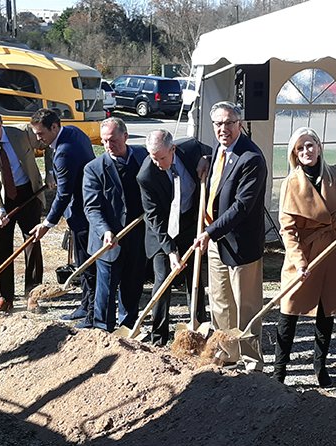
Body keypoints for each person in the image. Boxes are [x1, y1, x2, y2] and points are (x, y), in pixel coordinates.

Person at [273, 127, 336, 386]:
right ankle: (279, 371)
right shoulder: (291, 183)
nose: (306, 151)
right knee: (288, 309)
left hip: (332, 249)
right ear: (294, 154)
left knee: (327, 309)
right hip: (303, 253)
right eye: (300, 148)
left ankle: (320, 366)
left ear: (319, 146)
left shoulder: (335, 173)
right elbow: (287, 229)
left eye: (309, 145)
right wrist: (299, 263)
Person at [193, 101, 267, 371]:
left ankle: (252, 360)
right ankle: (227, 353)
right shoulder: (217, 152)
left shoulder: (251, 158)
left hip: (240, 244)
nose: (223, 128)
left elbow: (242, 206)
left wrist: (209, 232)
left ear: (240, 124)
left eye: (228, 123)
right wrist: (204, 161)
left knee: (246, 306)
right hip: (215, 242)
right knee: (221, 303)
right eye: (218, 124)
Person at [137, 129, 211, 345]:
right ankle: (159, 337)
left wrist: (206, 159)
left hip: (190, 224)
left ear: (173, 149)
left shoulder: (192, 148)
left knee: (195, 278)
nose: (158, 163)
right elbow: (153, 217)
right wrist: (170, 251)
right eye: (153, 157)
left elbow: (213, 153)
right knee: (162, 281)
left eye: (162, 158)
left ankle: (198, 331)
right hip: (162, 232)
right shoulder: (146, 176)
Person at [0, 108, 45, 312]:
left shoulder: (22, 133)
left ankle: (33, 294)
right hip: (2, 199)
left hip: (28, 193)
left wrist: (50, 173)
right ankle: (5, 297)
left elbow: (48, 144)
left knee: (32, 242)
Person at [27, 108, 96, 322]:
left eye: (41, 134)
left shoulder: (64, 152)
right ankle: (86, 305)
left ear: (54, 127)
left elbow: (64, 194)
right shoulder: (74, 131)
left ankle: (91, 312)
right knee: (85, 263)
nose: (39, 139)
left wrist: (46, 224)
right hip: (90, 206)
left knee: (86, 264)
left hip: (82, 212)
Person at [82, 117, 149, 331]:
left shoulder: (142, 156)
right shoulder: (94, 169)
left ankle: (128, 327)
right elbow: (91, 208)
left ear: (125, 137)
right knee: (107, 288)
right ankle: (103, 330)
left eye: (112, 140)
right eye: (104, 141)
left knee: (133, 284)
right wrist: (105, 231)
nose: (108, 146)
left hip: (137, 234)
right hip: (109, 239)